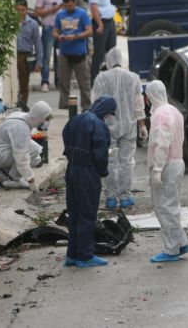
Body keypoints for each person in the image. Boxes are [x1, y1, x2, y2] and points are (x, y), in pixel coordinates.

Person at [62, 95, 117, 268]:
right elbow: (100, 152)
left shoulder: (75, 119)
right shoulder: (98, 124)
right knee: (87, 214)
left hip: (71, 170)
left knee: (75, 213)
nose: (109, 117)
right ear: (106, 111)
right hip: (87, 172)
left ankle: (72, 254)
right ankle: (85, 256)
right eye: (110, 114)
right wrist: (103, 171)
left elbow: (65, 137)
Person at [91, 47, 147, 210]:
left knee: (110, 161)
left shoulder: (101, 78)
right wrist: (142, 124)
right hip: (128, 125)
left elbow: (95, 103)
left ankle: (110, 197)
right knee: (127, 162)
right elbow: (138, 104)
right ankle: (125, 196)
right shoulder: (134, 78)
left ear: (108, 61)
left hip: (107, 126)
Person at [146, 80, 188, 263]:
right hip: (176, 162)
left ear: (150, 96)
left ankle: (171, 249)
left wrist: (157, 168)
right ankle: (180, 242)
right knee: (171, 206)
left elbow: (162, 143)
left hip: (166, 165)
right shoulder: (173, 110)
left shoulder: (161, 114)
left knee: (164, 207)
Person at [0, 101, 52, 190]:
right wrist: (31, 181)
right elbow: (21, 159)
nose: (46, 123)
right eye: (45, 119)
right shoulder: (22, 128)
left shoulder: (21, 116)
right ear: (38, 118)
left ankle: (6, 172)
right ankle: (11, 179)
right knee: (29, 153)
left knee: (36, 154)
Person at [53, 0, 93, 111]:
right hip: (64, 54)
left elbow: (89, 31)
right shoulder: (60, 15)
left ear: (74, 3)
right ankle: (64, 105)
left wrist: (76, 36)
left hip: (79, 54)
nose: (69, 8)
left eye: (70, 6)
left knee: (84, 83)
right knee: (63, 82)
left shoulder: (82, 14)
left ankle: (86, 106)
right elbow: (54, 32)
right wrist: (59, 36)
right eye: (66, 6)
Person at [34, 0, 64, 92]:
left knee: (60, 56)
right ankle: (45, 81)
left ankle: (59, 81)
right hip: (48, 27)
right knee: (46, 56)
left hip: (60, 27)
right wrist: (52, 10)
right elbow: (37, 12)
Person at [88, 0, 117, 83]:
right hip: (101, 23)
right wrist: (100, 24)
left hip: (110, 22)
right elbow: (93, 7)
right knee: (99, 53)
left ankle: (112, 78)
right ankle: (94, 80)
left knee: (112, 52)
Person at [15, 0, 42, 109]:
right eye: (18, 10)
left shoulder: (33, 24)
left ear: (26, 10)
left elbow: (38, 43)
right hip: (12, 56)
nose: (20, 13)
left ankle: (23, 106)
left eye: (23, 10)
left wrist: (39, 62)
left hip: (25, 56)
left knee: (24, 84)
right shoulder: (9, 23)